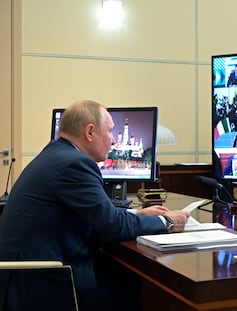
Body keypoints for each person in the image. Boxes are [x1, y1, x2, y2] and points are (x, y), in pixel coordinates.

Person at [0, 100, 190, 310]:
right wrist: (168, 221)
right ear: (90, 132)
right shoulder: (75, 164)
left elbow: (98, 212)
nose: (112, 140)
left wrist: (138, 212)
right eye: (110, 131)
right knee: (143, 290)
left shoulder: (56, 154)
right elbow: (114, 226)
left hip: (25, 274)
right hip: (40, 282)